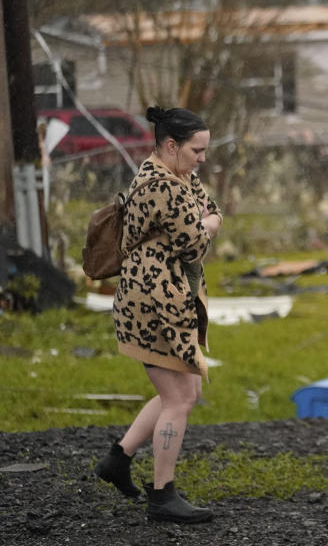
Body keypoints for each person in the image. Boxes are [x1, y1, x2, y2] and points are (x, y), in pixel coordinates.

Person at [93, 106, 222, 523]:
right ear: (171, 146)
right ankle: (162, 496)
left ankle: (118, 459)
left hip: (165, 296)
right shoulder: (160, 185)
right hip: (153, 303)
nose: (203, 158)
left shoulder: (180, 175)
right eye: (196, 150)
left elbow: (210, 209)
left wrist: (208, 220)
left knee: (184, 393)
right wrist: (209, 225)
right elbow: (194, 243)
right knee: (180, 397)